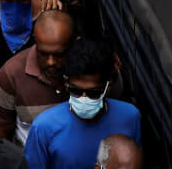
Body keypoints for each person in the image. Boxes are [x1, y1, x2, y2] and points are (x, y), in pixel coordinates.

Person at [21, 39, 138, 169]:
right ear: (66, 83)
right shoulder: (43, 128)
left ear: (108, 85)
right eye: (76, 91)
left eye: (93, 93)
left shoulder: (130, 117)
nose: (84, 98)